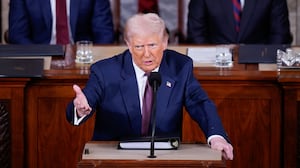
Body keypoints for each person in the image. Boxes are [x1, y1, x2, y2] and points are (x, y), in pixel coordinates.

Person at [66, 13, 233, 160]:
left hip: (164, 157)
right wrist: (79, 109)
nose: (147, 54)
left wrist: (216, 136)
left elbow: (200, 103)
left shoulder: (180, 67)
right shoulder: (105, 71)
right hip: (115, 159)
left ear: (165, 42)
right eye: (139, 46)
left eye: (152, 45)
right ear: (129, 45)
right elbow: (87, 98)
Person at [186, 0, 293, 44]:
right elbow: (196, 34)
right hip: (215, 63)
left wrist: (268, 61)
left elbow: (280, 34)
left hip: (259, 63)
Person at [8, 0, 114, 44]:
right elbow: (18, 34)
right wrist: (40, 56)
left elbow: (104, 33)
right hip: (39, 62)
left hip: (83, 61)